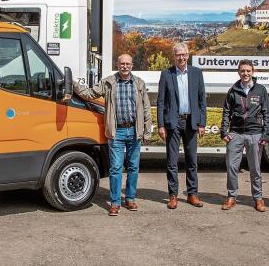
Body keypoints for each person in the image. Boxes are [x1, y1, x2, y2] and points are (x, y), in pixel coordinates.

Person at [76, 54, 152, 216]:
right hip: (116, 132)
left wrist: (147, 131)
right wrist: (74, 85)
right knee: (116, 168)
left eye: (128, 64)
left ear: (132, 65)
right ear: (117, 65)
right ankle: (115, 202)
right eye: (122, 63)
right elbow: (90, 94)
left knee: (133, 167)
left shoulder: (139, 83)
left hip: (134, 131)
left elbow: (146, 109)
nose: (125, 66)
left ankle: (130, 198)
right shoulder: (109, 82)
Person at [157, 42, 207, 209]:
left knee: (192, 160)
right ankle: (173, 196)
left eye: (183, 54)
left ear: (188, 55)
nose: (181, 57)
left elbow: (202, 100)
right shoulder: (166, 74)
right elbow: (161, 102)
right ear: (174, 56)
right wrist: (161, 125)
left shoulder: (196, 73)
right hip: (173, 122)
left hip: (191, 122)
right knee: (172, 161)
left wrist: (202, 123)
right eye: (178, 55)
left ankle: (192, 194)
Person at [220, 59, 269, 212]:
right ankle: (231, 197)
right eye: (242, 71)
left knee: (255, 168)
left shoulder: (261, 90)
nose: (245, 73)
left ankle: (258, 198)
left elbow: (267, 114)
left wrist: (265, 135)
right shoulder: (233, 90)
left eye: (248, 71)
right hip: (235, 133)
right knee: (231, 167)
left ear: (253, 72)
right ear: (238, 72)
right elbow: (226, 112)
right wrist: (224, 131)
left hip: (255, 134)